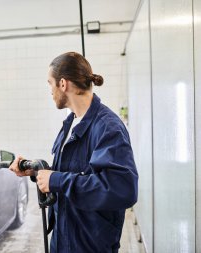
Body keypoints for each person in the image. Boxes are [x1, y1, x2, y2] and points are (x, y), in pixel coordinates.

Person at [9, 52, 138, 253]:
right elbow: (75, 171)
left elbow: (122, 189)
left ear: (63, 84)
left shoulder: (107, 127)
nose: (50, 91)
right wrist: (36, 171)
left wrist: (57, 181)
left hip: (89, 245)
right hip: (63, 239)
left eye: (50, 83)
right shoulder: (71, 123)